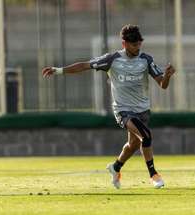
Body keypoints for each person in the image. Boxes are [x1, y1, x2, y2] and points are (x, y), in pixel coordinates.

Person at [42, 24, 176, 189]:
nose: (137, 47)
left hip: (142, 110)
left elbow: (162, 84)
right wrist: (58, 70)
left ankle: (116, 167)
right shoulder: (112, 59)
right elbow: (85, 65)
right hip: (123, 110)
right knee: (146, 136)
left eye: (139, 43)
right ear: (124, 43)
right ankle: (154, 174)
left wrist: (167, 76)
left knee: (133, 145)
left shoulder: (146, 59)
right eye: (134, 44)